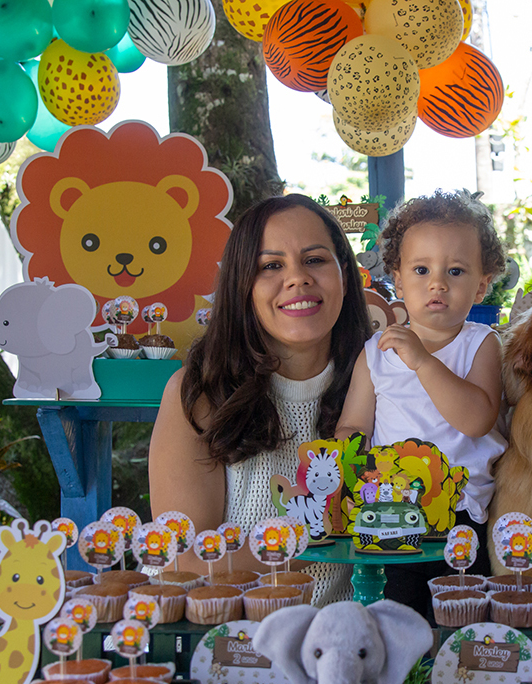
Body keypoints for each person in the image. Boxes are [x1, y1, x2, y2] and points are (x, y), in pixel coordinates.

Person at [149, 194, 371, 605]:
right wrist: (311, 540)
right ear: (242, 285)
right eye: (271, 266)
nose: (297, 279)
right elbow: (179, 565)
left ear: (344, 271)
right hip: (229, 649)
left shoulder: (386, 382)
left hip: (348, 652)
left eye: (315, 260)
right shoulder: (200, 393)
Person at [335, 190, 508, 614]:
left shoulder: (481, 344)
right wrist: (348, 465)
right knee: (393, 611)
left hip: (461, 512)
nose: (438, 283)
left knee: (460, 614)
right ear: (396, 277)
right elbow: (353, 425)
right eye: (421, 269)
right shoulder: (376, 351)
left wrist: (422, 361)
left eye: (456, 271)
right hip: (391, 508)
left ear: (482, 284)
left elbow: (476, 419)